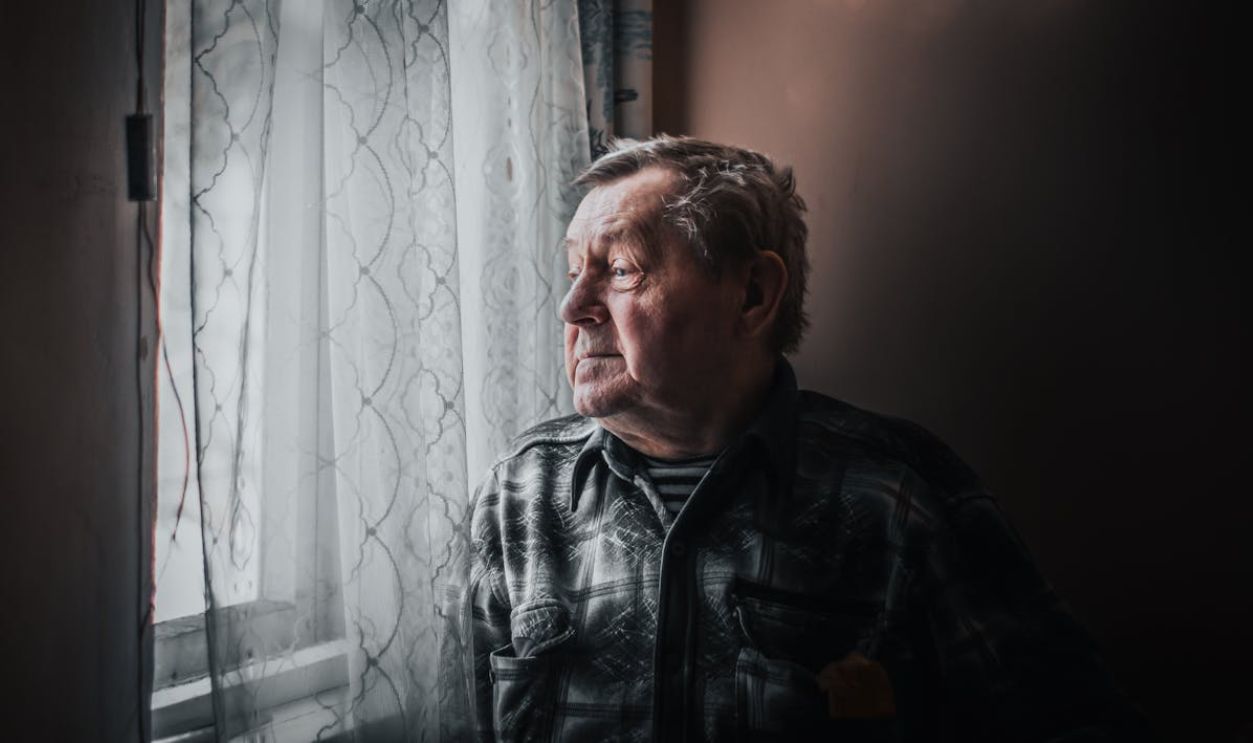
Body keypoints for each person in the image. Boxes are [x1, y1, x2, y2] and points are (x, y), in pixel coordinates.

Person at [455, 136, 1149, 741]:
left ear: (753, 293)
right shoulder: (516, 496)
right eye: (575, 269)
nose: (572, 307)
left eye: (620, 269)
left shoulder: (898, 495)